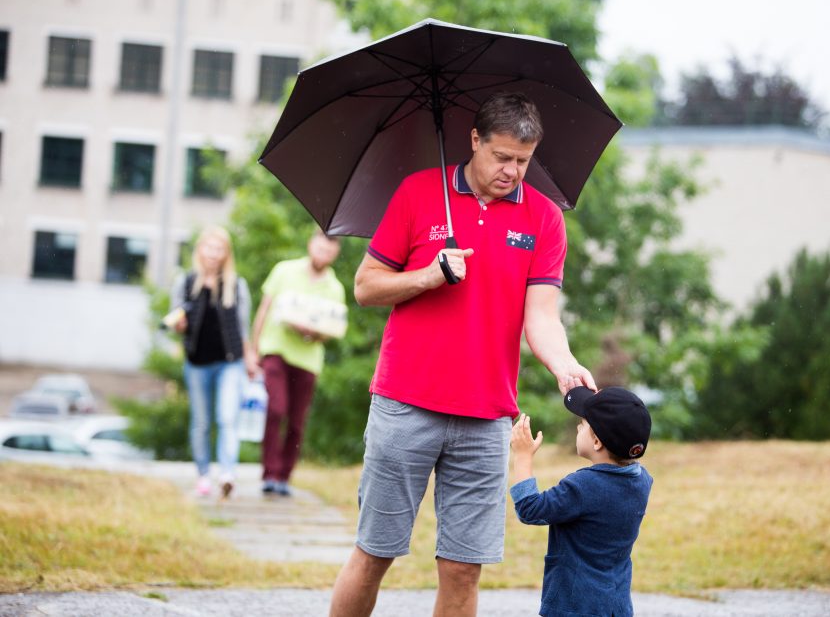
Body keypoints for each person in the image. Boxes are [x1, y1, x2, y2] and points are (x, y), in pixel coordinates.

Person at [329, 92, 596, 617]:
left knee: (463, 567)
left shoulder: (544, 219)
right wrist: (430, 274)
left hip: (486, 417)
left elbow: (541, 317)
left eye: (522, 160)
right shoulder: (417, 193)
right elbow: (365, 287)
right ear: (474, 140)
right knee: (375, 552)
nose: (512, 171)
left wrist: (565, 367)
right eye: (501, 156)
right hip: (406, 403)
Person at [510, 387, 654, 617]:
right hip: (617, 606)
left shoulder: (583, 486)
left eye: (584, 424)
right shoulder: (643, 480)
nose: (578, 426)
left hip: (574, 606)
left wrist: (522, 456)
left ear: (597, 441)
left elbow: (529, 509)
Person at [248, 231, 345, 497]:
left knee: (297, 421)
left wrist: (313, 332)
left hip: (308, 359)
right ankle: (269, 471)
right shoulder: (284, 271)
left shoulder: (334, 288)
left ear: (334, 253)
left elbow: (333, 328)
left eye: (329, 251)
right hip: (275, 349)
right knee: (276, 408)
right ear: (311, 244)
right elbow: (264, 309)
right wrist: (252, 350)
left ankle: (283, 476)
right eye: (320, 248)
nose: (323, 253)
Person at [169, 225, 253, 499]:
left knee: (227, 417)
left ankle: (227, 473)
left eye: (219, 249)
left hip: (230, 362)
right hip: (197, 362)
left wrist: (251, 358)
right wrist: (179, 326)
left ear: (226, 254)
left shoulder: (236, 285)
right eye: (209, 247)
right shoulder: (185, 282)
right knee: (201, 421)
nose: (213, 254)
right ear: (200, 250)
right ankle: (203, 475)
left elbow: (243, 328)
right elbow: (175, 320)